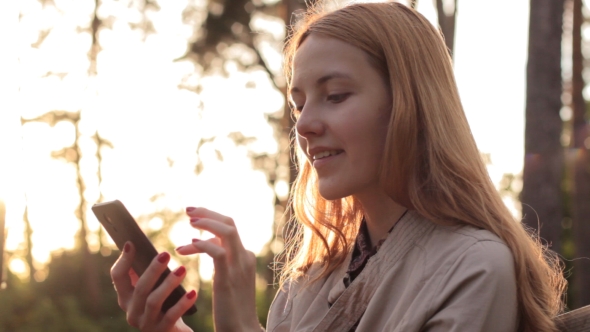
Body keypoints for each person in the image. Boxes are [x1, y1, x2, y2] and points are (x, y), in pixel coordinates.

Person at [110, 2, 567, 331]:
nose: (305, 124)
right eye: (299, 104)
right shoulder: (309, 282)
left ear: (410, 105)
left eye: (336, 95)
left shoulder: (472, 268)